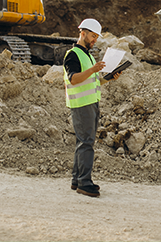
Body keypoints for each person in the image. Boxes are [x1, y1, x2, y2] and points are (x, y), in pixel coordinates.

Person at [63, 18, 120, 197]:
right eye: (93, 36)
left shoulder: (87, 54)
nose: (94, 39)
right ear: (83, 33)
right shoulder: (73, 54)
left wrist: (107, 78)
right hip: (81, 105)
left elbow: (90, 80)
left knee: (84, 142)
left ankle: (77, 179)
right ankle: (84, 183)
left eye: (96, 37)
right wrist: (93, 70)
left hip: (90, 103)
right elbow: (74, 79)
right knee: (86, 142)